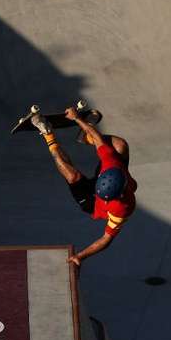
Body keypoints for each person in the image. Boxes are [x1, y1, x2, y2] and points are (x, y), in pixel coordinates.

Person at [31, 106, 137, 267]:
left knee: (73, 176)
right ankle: (84, 137)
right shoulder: (111, 163)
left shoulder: (123, 209)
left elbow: (105, 239)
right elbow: (99, 139)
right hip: (108, 178)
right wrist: (76, 118)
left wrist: (81, 256)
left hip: (92, 204)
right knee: (120, 145)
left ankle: (47, 133)